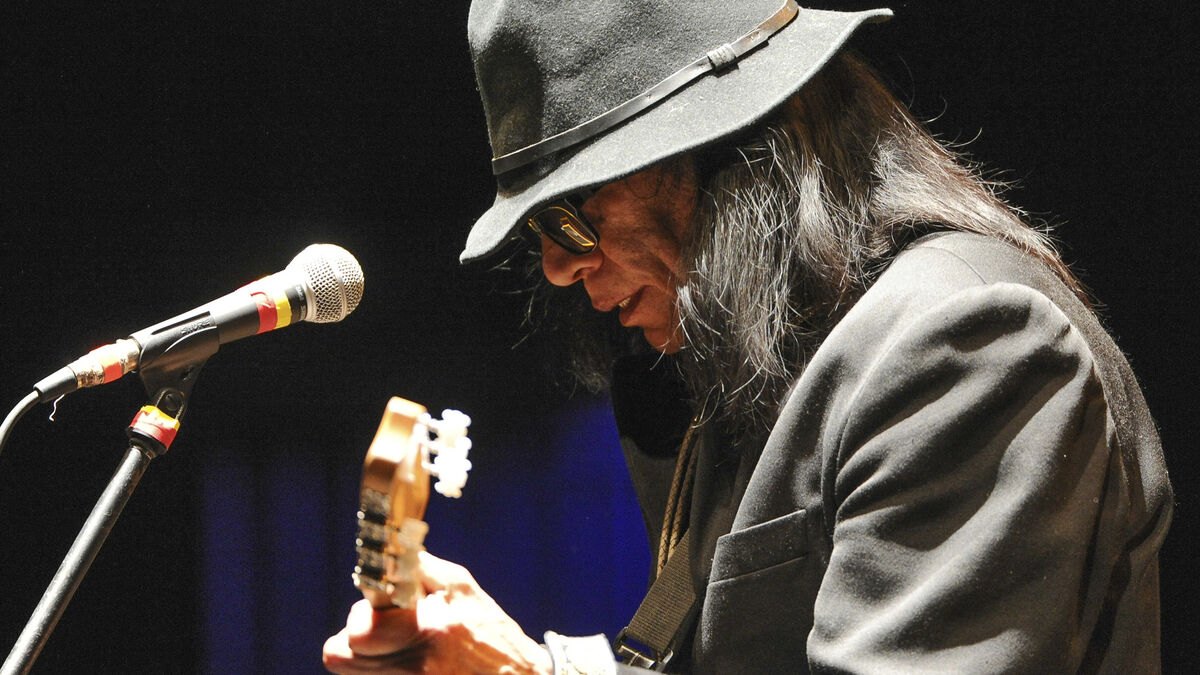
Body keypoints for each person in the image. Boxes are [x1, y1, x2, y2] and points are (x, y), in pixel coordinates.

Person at [324, 1, 1172, 672]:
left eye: (572, 213)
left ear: (730, 152)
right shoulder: (757, 365)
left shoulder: (968, 347)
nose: (554, 266)